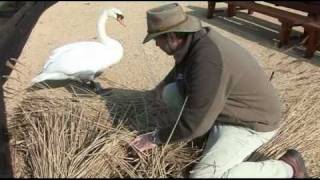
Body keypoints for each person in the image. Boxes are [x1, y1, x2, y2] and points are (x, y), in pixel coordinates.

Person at [129, 3, 307, 178]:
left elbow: (193, 124)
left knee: (203, 176)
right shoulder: (194, 41)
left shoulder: (208, 61)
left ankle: (287, 169)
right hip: (226, 110)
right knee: (170, 92)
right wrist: (158, 89)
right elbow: (182, 68)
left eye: (157, 39)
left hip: (250, 123)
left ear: (172, 37)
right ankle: (207, 137)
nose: (156, 45)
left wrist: (153, 138)